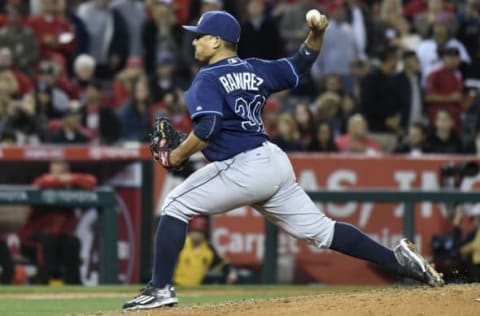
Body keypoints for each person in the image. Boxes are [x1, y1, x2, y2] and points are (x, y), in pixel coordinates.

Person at [123, 10, 444, 311]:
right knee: (322, 231)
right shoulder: (256, 68)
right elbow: (302, 62)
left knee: (175, 205)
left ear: (216, 41)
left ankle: (160, 289)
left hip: (242, 165)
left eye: (200, 36)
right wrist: (316, 33)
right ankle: (398, 261)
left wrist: (176, 155)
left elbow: (208, 127)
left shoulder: (205, 80)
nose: (194, 41)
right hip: (273, 161)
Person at [19, 161, 97, 284]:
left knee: (73, 242)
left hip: (60, 236)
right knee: (49, 240)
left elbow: (91, 181)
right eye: (53, 172)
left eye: (59, 173)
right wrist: (61, 179)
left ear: (66, 172)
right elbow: (41, 182)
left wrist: (71, 178)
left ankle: (73, 283)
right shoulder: (44, 182)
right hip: (35, 236)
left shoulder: (71, 183)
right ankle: (43, 281)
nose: (55, 175)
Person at [173, 216, 237, 286]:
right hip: (176, 286)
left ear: (204, 234)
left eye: (200, 232)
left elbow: (223, 263)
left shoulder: (208, 249)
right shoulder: (180, 244)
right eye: (194, 231)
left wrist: (231, 273)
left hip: (195, 289)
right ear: (189, 232)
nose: (197, 235)